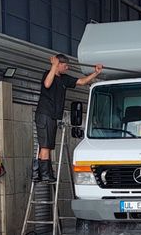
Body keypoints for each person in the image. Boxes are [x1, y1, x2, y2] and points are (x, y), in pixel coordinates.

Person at [33, 54, 103, 182]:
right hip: (45, 114)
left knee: (47, 145)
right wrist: (53, 66)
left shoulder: (64, 79)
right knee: (45, 146)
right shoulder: (48, 74)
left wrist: (96, 73)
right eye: (65, 66)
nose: (67, 68)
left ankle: (38, 174)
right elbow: (47, 84)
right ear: (58, 64)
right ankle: (45, 175)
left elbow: (82, 82)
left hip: (53, 116)